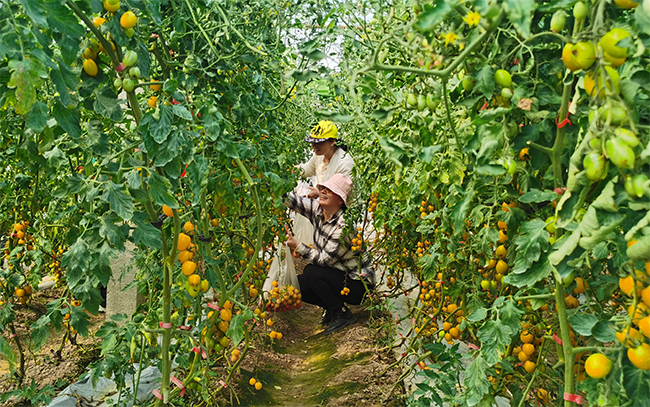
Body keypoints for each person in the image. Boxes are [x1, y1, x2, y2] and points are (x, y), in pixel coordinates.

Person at [284, 173, 374, 334]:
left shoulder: (344, 227)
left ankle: (341, 313)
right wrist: (268, 184)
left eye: (329, 190)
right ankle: (333, 309)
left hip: (358, 285)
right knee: (299, 286)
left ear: (340, 200)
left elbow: (324, 260)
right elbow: (294, 202)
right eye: (323, 188)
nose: (323, 191)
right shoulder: (318, 209)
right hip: (338, 275)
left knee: (312, 272)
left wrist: (298, 246)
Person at [293, 121, 354, 247]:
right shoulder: (319, 156)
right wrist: (290, 169)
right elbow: (308, 169)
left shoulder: (344, 163)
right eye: (312, 142)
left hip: (343, 213)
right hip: (327, 208)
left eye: (318, 142)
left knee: (335, 244)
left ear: (332, 142)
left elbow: (342, 193)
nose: (313, 146)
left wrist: (319, 193)